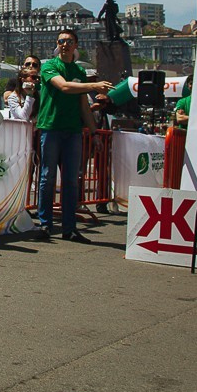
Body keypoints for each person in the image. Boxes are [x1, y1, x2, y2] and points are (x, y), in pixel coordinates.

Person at [34, 29, 112, 242]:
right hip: (50, 127)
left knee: (71, 180)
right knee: (47, 177)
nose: (64, 44)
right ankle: (45, 224)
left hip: (73, 131)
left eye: (69, 41)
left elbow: (83, 106)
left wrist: (94, 132)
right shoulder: (50, 66)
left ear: (76, 45)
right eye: (61, 41)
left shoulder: (78, 69)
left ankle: (69, 228)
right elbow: (65, 86)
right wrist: (94, 85)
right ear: (57, 45)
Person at [4, 55, 41, 121]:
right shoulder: (13, 97)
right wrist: (29, 95)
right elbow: (24, 116)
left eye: (37, 78)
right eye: (33, 77)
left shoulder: (40, 93)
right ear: (23, 80)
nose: (36, 80)